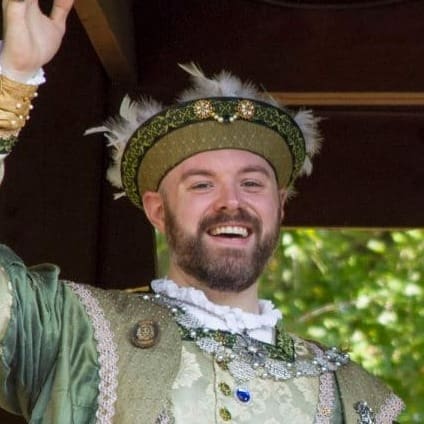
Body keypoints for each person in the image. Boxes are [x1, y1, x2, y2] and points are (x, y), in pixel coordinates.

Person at [0, 1, 404, 423]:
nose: (231, 202)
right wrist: (13, 80)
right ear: (158, 210)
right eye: (202, 185)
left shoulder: (354, 397)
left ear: (280, 205)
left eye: (252, 184)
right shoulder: (74, 333)